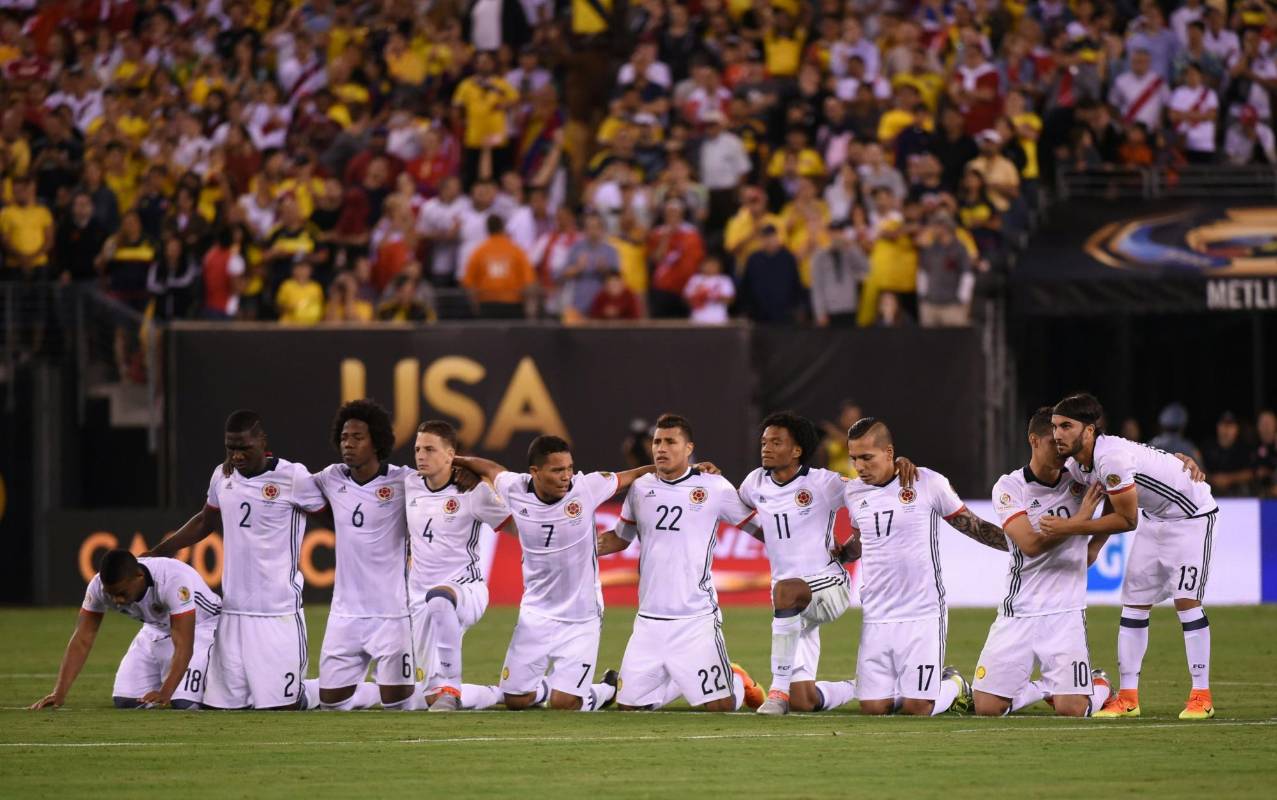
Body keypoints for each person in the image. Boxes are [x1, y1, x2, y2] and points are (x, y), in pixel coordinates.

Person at [1044, 393, 1218, 720]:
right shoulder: (1080, 463)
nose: (1058, 434)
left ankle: (1201, 695)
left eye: (1066, 426)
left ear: (1090, 430)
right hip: (1156, 517)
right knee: (1134, 602)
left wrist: (1073, 527)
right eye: (1055, 426)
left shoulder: (1111, 458)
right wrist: (1093, 543)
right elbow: (1115, 501)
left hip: (1192, 516)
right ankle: (1127, 698)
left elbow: (1127, 519)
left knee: (1186, 601)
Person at [452, 437, 650, 711]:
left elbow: (636, 475)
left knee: (565, 704)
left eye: (569, 468)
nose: (566, 476)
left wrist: (688, 472)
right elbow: (490, 468)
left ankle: (604, 690)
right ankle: (546, 686)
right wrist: (456, 462)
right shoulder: (515, 488)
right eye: (557, 470)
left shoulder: (587, 487)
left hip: (581, 616)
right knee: (516, 701)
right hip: (536, 612)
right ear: (535, 472)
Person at [148, 410, 327, 710]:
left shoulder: (293, 476)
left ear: (262, 441)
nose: (237, 455)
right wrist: (159, 551)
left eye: (244, 447)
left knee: (284, 708)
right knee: (220, 708)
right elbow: (205, 522)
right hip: (233, 613)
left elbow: (332, 518)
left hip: (277, 614)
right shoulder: (222, 475)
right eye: (230, 447)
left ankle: (339, 690)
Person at [837, 417, 1008, 716]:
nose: (860, 466)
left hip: (922, 611)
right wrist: (843, 554)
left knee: (917, 708)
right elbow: (863, 540)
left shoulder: (927, 482)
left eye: (867, 457)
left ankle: (954, 684)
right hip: (877, 612)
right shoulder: (853, 492)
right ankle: (926, 686)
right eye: (854, 459)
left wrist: (1021, 547)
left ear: (889, 453)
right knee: (873, 709)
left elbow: (973, 525)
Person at [596, 414, 765, 712]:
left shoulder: (714, 487)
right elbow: (620, 539)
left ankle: (737, 679)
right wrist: (573, 547)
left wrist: (802, 548)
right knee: (631, 710)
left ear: (689, 448)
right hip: (649, 620)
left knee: (721, 707)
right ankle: (681, 678)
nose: (661, 448)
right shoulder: (640, 488)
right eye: (657, 441)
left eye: (670, 441)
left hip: (695, 619)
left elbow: (758, 528)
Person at [974, 408, 1113, 718]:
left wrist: (1096, 545)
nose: (1062, 448)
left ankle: (1100, 683)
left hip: (1065, 611)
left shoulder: (1081, 477)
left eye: (1065, 441)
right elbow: (1031, 544)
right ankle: (1045, 688)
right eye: (1054, 441)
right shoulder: (1010, 488)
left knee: (1072, 711)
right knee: (987, 708)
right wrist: (1079, 522)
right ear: (1033, 440)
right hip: (1019, 610)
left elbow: (1125, 491)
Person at [738, 413, 859, 715]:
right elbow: (733, 510)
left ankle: (777, 692)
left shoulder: (823, 483)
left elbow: (869, 496)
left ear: (796, 451)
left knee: (786, 590)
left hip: (828, 587)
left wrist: (852, 548)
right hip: (790, 606)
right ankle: (865, 686)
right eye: (764, 442)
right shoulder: (754, 482)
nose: (766, 448)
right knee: (804, 701)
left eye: (776, 442)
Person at [312, 400, 418, 711]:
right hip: (345, 615)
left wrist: (465, 474)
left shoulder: (403, 480)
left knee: (398, 707)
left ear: (377, 441)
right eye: (345, 437)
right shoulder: (331, 478)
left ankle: (458, 693)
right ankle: (373, 690)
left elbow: (442, 480)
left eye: (358, 437)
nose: (349, 444)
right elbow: (288, 483)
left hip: (392, 614)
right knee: (331, 704)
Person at [406, 421, 514, 712]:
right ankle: (500, 694)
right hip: (417, 600)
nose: (421, 455)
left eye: (430, 449)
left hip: (467, 589)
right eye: (417, 448)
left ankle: (452, 689)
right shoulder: (408, 484)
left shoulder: (473, 492)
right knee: (417, 697)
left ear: (450, 454)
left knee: (440, 599)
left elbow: (516, 525)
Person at [30, 550, 220, 710]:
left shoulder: (172, 580)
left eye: (121, 594)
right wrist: (60, 692)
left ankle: (226, 688)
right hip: (156, 628)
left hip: (202, 628)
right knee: (126, 699)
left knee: (182, 702)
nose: (116, 601)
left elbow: (184, 645)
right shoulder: (98, 587)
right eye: (110, 594)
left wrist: (166, 692)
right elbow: (82, 639)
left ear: (139, 577)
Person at [460, 214, 536, 319]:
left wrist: (475, 306)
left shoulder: (479, 251)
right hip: (513, 304)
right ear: (502, 228)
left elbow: (468, 283)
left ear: (487, 229)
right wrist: (529, 308)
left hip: (486, 304)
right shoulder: (517, 251)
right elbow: (529, 282)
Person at [916, 214, 974, 327]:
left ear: (945, 227)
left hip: (952, 306)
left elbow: (967, 276)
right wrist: (922, 296)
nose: (933, 229)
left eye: (936, 226)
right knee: (929, 342)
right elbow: (922, 273)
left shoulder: (960, 249)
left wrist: (963, 300)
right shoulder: (930, 248)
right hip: (930, 304)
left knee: (954, 342)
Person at [740, 224, 805, 323]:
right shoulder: (754, 259)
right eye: (765, 238)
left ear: (777, 238)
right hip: (759, 314)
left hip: (784, 313)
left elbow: (795, 283)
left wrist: (797, 308)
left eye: (772, 237)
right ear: (761, 240)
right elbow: (746, 286)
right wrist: (746, 309)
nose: (769, 241)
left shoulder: (787, 258)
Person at [809, 221, 869, 327]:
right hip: (829, 310)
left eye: (839, 232)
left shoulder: (850, 252)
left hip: (849, 307)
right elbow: (817, 286)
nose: (836, 235)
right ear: (828, 234)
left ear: (843, 234)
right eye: (833, 232)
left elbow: (866, 268)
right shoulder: (820, 256)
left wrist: (851, 246)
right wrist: (820, 312)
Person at [1202, 411, 1253, 497]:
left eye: (1230, 426)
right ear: (1218, 427)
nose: (1226, 430)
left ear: (1236, 429)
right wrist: (1212, 478)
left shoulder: (1244, 449)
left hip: (1237, 494)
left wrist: (1229, 479)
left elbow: (1250, 473)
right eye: (1223, 425)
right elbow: (1199, 467)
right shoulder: (1207, 447)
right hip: (1211, 491)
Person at [682, 255, 735, 325]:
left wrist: (714, 296)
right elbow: (686, 299)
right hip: (697, 319)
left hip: (719, 319)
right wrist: (698, 297)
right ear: (701, 266)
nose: (710, 267)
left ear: (720, 267)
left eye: (713, 265)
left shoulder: (724, 279)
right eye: (707, 265)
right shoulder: (695, 279)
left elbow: (730, 300)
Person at [275, 257, 325, 325]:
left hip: (310, 326)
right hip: (289, 325)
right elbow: (279, 307)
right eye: (298, 267)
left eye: (305, 267)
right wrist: (292, 307)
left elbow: (320, 308)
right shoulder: (287, 285)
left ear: (311, 270)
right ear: (293, 270)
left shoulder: (316, 287)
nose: (301, 271)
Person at [1253, 409, 1277, 497]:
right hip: (1259, 491)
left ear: (1275, 425)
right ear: (1258, 426)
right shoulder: (1253, 446)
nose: (1266, 427)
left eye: (1269, 423)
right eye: (1263, 423)